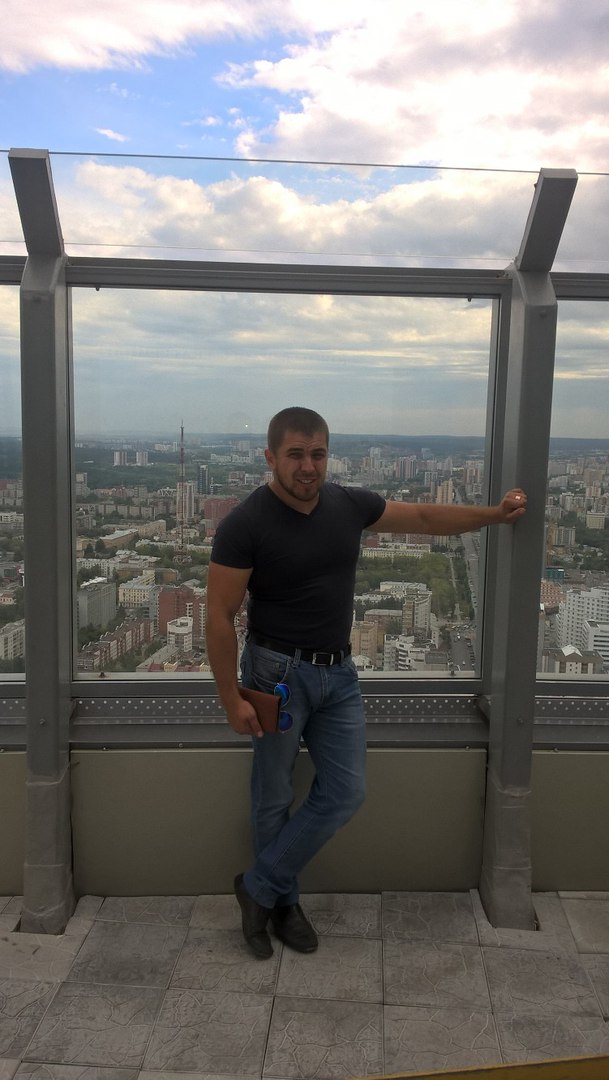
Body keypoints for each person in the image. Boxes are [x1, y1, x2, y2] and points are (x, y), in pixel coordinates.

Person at [205, 406, 527, 959]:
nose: (308, 466)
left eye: (318, 454)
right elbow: (218, 614)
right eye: (296, 454)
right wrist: (229, 697)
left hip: (339, 673)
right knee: (273, 794)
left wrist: (494, 516)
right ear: (270, 457)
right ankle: (284, 903)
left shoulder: (348, 505)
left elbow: (423, 517)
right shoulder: (246, 524)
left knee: (345, 791)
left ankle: (258, 886)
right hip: (275, 674)